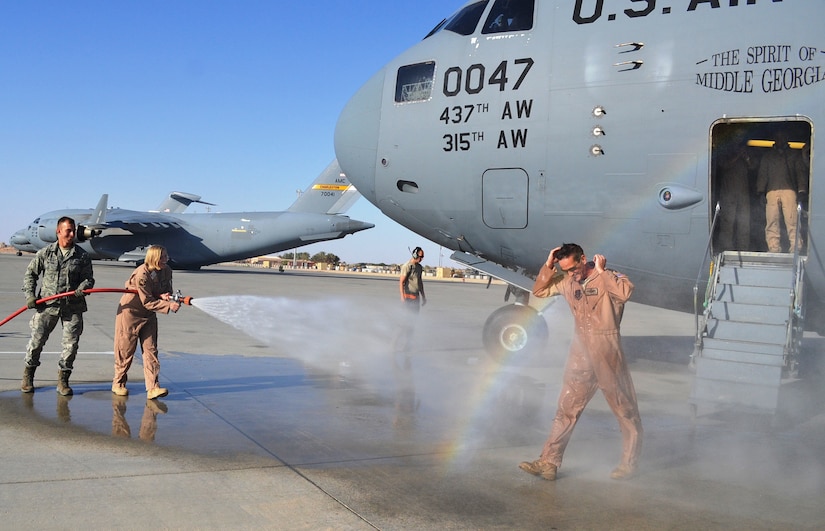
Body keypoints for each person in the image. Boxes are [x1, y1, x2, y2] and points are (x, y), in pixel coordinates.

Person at [519, 243, 642, 481]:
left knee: (624, 409)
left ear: (583, 259)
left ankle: (629, 463)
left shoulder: (607, 276)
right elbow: (540, 291)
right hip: (580, 352)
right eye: (565, 270)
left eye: (573, 268)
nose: (571, 274)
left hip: (607, 350)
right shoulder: (567, 282)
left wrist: (602, 272)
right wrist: (548, 264)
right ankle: (548, 462)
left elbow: (625, 293)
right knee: (566, 407)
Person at [21, 216, 95, 395]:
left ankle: (63, 380)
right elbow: (30, 274)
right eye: (68, 230)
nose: (71, 234)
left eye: (73, 230)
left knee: (71, 346)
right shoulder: (46, 253)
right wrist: (30, 295)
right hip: (48, 305)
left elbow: (89, 278)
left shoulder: (82, 255)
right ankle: (28, 376)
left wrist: (83, 287)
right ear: (59, 231)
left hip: (73, 306)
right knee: (36, 342)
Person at [112, 245, 180, 399]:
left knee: (151, 350)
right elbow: (147, 301)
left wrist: (168, 297)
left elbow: (166, 290)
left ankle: (153, 387)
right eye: (162, 257)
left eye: (166, 256)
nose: (166, 259)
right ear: (154, 258)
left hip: (149, 315)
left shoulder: (167, 270)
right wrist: (168, 305)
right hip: (131, 313)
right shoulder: (142, 274)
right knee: (125, 350)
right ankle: (118, 383)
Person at [756, 130, 808, 252]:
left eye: (782, 137)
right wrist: (760, 191)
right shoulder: (768, 156)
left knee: (792, 220)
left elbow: (800, 173)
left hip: (789, 190)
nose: (780, 140)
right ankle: (773, 247)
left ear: (786, 138)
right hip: (771, 191)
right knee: (772, 220)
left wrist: (801, 190)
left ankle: (796, 247)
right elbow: (762, 174)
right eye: (777, 137)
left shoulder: (793, 155)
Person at [717, 137, 752, 251]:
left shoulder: (746, 154)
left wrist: (746, 157)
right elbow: (723, 165)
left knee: (744, 223)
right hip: (728, 193)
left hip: (743, 194)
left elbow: (753, 166)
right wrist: (737, 156)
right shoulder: (725, 153)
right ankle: (726, 248)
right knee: (728, 223)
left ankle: (743, 248)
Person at [394, 246, 427, 354]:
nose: (421, 259)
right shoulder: (407, 266)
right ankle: (395, 343)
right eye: (420, 256)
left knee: (412, 324)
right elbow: (401, 282)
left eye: (423, 257)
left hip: (416, 298)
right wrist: (402, 297)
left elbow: (420, 282)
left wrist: (423, 296)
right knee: (405, 323)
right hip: (408, 298)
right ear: (415, 255)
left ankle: (407, 345)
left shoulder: (419, 267)